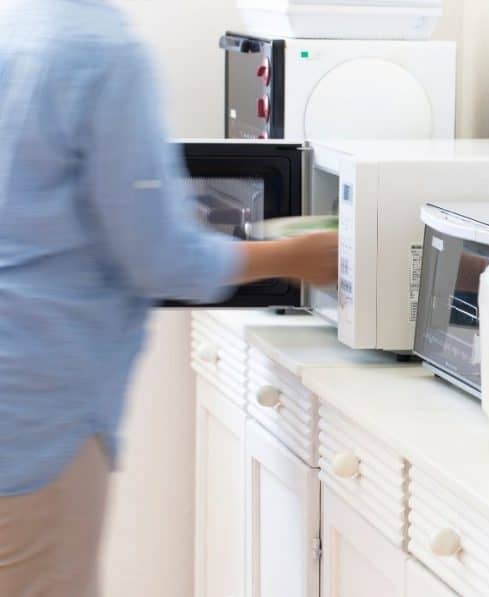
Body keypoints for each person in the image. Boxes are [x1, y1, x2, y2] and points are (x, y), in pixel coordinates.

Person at [0, 1, 338, 595]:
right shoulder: (101, 52)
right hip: (35, 408)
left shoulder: (17, 25)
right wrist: (297, 256)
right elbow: (159, 259)